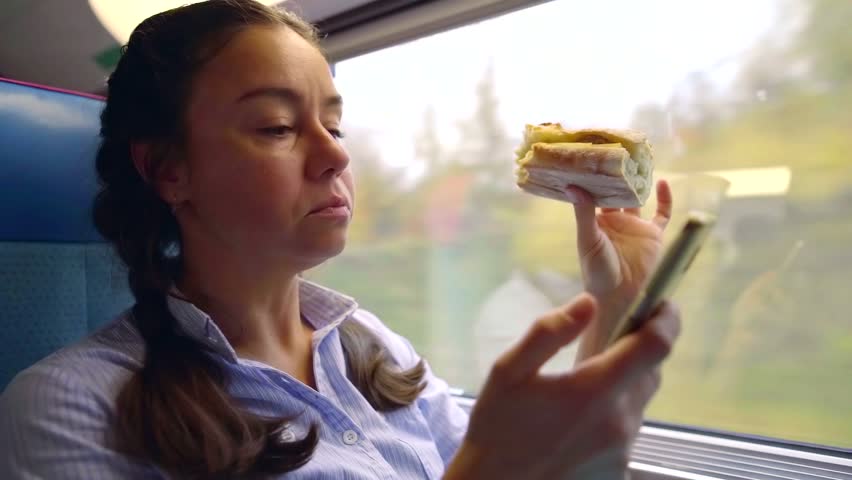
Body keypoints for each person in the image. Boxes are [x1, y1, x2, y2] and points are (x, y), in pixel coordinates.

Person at [0, 1, 680, 478]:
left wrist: (615, 309)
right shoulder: (70, 406)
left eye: (335, 125)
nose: (335, 156)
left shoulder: (377, 351)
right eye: (277, 127)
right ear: (169, 171)